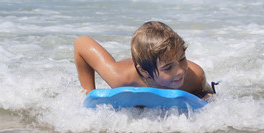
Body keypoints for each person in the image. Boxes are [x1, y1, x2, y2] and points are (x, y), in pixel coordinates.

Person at [74, 21, 214, 99]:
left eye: (182, 59)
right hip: (132, 67)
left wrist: (206, 98)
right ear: (144, 71)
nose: (179, 71)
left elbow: (209, 94)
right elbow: (82, 43)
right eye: (168, 68)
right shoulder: (121, 79)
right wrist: (88, 94)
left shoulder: (195, 77)